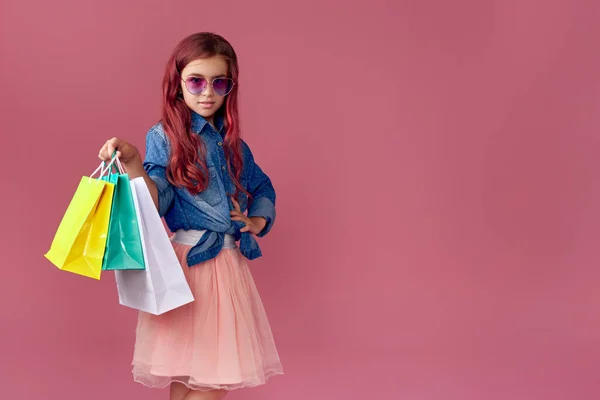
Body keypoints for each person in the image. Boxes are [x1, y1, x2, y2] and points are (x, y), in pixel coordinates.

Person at [98, 32, 283, 400]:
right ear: (178, 84)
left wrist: (257, 221)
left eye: (220, 82)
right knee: (191, 382)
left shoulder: (233, 145)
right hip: (187, 268)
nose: (207, 92)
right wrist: (134, 162)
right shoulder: (165, 137)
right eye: (196, 81)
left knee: (202, 380)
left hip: (225, 267)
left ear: (230, 87)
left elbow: (263, 188)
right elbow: (156, 201)